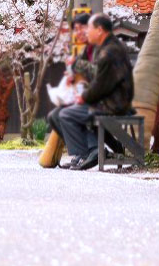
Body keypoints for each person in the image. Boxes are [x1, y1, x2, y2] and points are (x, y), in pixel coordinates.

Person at [57, 13, 135, 171]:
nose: (86, 33)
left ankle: (89, 153)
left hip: (114, 103)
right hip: (113, 100)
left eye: (89, 29)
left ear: (99, 30)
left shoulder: (108, 52)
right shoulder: (107, 47)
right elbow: (98, 79)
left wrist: (84, 97)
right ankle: (99, 150)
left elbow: (100, 84)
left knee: (68, 115)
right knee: (76, 112)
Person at [41, 13, 93, 168]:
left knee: (64, 114)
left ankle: (87, 153)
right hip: (86, 94)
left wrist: (76, 67)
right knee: (54, 116)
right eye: (75, 30)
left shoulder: (99, 48)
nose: (78, 33)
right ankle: (80, 153)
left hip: (98, 98)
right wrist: (72, 76)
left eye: (80, 28)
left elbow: (99, 74)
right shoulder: (86, 50)